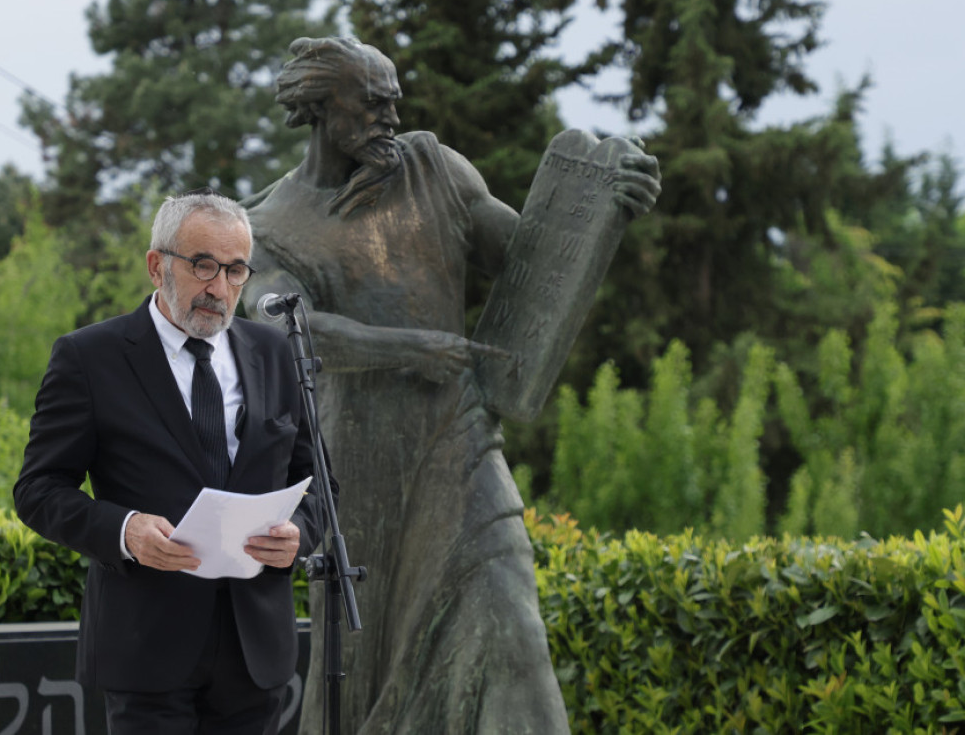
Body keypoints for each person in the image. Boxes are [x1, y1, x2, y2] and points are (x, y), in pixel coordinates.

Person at [241, 37, 661, 735]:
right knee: (360, 670)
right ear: (320, 107)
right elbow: (288, 330)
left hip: (460, 441)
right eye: (371, 102)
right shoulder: (267, 224)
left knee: (508, 613)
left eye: (394, 99)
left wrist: (608, 207)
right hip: (360, 476)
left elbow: (529, 260)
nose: (391, 115)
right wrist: (412, 348)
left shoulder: (434, 168)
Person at [14, 189, 336, 734]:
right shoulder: (89, 357)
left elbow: (320, 485)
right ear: (156, 265)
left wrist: (299, 535)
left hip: (255, 651)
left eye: (235, 270)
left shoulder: (274, 353)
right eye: (203, 265)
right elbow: (38, 489)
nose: (220, 288)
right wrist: (125, 530)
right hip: (146, 647)